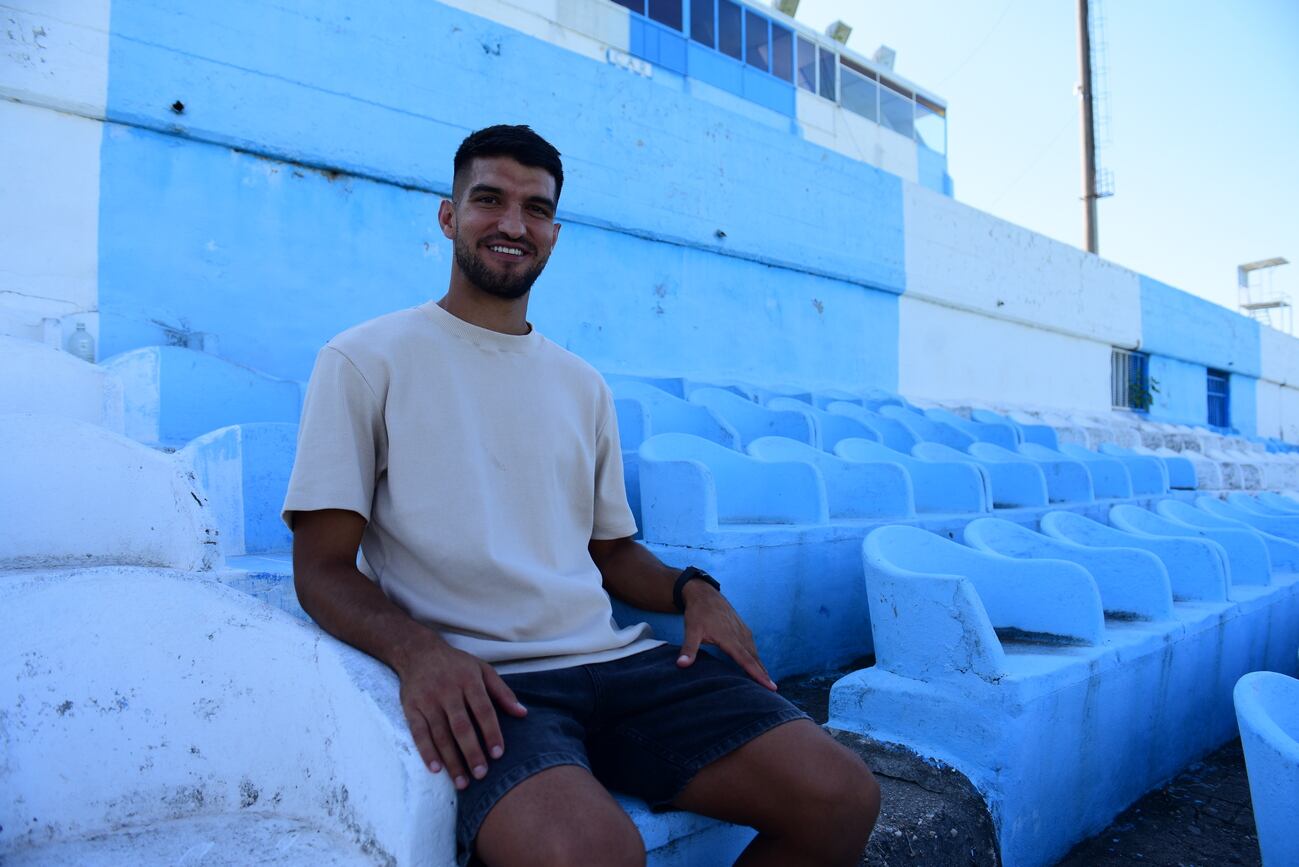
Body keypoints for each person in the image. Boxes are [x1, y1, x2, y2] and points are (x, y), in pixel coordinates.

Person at [283, 124, 880, 867]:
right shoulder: (365, 359)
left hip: (621, 666)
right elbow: (321, 566)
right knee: (591, 854)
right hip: (490, 682)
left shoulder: (580, 383)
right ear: (448, 216)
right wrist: (419, 653)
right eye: (489, 200)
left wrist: (692, 589)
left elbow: (609, 551)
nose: (511, 224)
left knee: (841, 795)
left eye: (535, 209)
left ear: (554, 233)